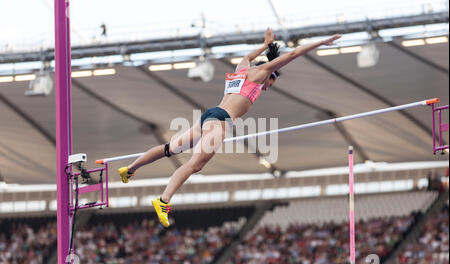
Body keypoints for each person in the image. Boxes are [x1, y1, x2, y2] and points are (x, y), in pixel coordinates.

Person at [118, 28, 341, 227]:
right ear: (269, 74)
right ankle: (163, 200)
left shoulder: (242, 69)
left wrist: (264, 46)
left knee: (169, 149)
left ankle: (130, 169)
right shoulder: (260, 73)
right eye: (270, 84)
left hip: (209, 114)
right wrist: (321, 43)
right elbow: (292, 54)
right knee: (195, 165)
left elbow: (246, 56)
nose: (266, 89)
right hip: (220, 120)